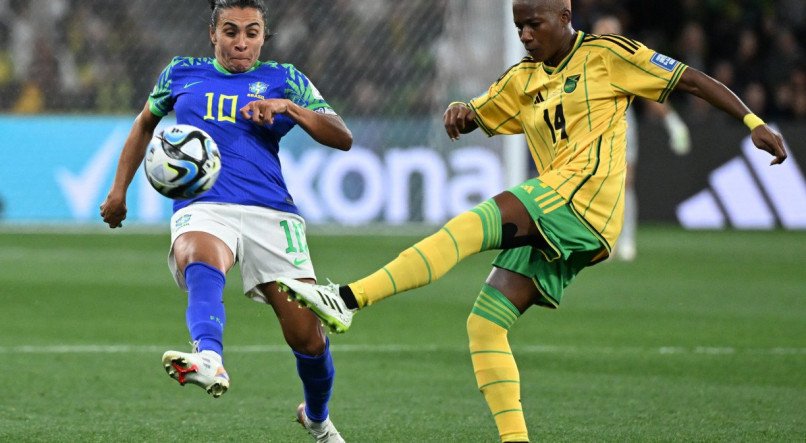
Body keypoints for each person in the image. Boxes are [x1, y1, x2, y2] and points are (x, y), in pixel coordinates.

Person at [278, 0, 787, 441]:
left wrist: (754, 122)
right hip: (560, 217)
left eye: (535, 24)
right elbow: (478, 111)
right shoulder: (522, 78)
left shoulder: (608, 56)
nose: (525, 34)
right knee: (485, 326)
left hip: (582, 202)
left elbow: (691, 80)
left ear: (565, 17)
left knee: (472, 224)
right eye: (519, 25)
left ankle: (348, 298)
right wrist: (461, 112)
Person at [99, 1, 352, 442]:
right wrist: (118, 191)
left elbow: (342, 136)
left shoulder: (285, 79)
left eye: (252, 33)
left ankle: (316, 417)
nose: (241, 42)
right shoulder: (180, 72)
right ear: (212, 33)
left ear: (263, 36)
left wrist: (288, 109)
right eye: (231, 31)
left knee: (307, 339)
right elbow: (144, 124)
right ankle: (209, 357)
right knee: (199, 254)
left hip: (271, 211)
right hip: (203, 202)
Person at [591, 14, 692, 261]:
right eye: (603, 32)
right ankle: (602, 239)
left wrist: (673, 123)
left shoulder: (626, 61)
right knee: (596, 185)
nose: (607, 37)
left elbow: (650, 91)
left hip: (622, 125)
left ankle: (625, 242)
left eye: (612, 32)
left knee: (625, 182)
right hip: (589, 127)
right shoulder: (583, 61)